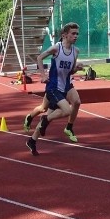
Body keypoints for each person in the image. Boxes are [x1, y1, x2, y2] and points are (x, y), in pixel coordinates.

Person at [26, 23, 83, 155]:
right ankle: (45, 120)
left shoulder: (76, 51)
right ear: (64, 35)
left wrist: (76, 68)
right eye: (73, 33)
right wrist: (43, 75)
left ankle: (32, 140)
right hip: (53, 87)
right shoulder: (56, 48)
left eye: (77, 34)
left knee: (57, 111)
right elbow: (39, 58)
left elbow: (70, 71)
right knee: (66, 110)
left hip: (65, 86)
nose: (76, 36)